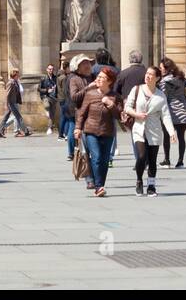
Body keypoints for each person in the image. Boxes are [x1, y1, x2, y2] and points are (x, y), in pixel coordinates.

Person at [125, 64, 175, 196]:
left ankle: (151, 185)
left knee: (152, 159)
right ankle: (139, 180)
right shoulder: (136, 89)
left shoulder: (160, 96)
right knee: (141, 156)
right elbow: (127, 107)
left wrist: (171, 132)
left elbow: (166, 116)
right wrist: (136, 114)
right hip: (139, 128)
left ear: (157, 78)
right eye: (147, 73)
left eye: (151, 74)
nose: (147, 76)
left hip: (154, 130)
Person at [73, 67, 120, 196]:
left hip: (108, 132)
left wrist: (110, 104)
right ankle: (98, 186)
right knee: (97, 157)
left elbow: (119, 115)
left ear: (109, 81)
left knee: (105, 160)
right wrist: (77, 128)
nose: (98, 79)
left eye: (101, 78)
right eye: (98, 77)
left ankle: (100, 184)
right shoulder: (90, 94)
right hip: (91, 131)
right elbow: (82, 113)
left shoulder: (115, 96)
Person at [65, 56, 93, 161]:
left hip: (94, 115)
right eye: (84, 63)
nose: (88, 65)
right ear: (77, 67)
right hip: (78, 111)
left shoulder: (94, 77)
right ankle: (73, 153)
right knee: (76, 132)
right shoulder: (74, 79)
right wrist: (88, 88)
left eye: (88, 63)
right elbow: (74, 96)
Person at [0, 68, 31, 138]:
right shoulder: (11, 82)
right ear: (15, 74)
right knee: (18, 117)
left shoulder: (15, 82)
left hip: (13, 102)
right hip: (11, 103)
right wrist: (6, 104)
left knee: (6, 117)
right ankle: (26, 131)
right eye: (17, 74)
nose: (18, 75)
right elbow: (7, 94)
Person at [38, 63, 59, 136]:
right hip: (46, 97)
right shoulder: (43, 78)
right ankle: (47, 111)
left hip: (54, 97)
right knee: (47, 106)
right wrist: (47, 90)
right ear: (47, 70)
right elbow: (39, 89)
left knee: (52, 115)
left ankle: (49, 128)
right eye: (50, 69)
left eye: (52, 69)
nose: (51, 70)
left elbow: (58, 88)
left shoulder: (55, 78)